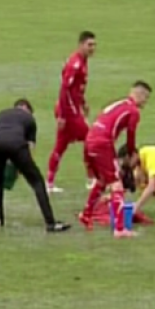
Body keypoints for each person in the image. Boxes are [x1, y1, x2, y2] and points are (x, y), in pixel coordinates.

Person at [0, 99, 69, 232]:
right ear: (27, 109)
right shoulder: (29, 119)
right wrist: (20, 168)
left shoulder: (1, 114)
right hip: (17, 145)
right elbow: (30, 150)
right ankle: (50, 223)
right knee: (37, 181)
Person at [79, 81, 152, 237]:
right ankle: (120, 229)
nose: (145, 102)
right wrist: (132, 152)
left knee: (102, 181)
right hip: (102, 144)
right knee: (116, 185)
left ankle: (86, 214)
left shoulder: (118, 104)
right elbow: (130, 135)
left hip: (90, 139)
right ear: (140, 95)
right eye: (146, 98)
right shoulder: (133, 111)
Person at [47, 30, 97, 194]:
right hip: (69, 111)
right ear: (81, 45)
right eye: (89, 45)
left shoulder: (82, 61)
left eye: (94, 45)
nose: (92, 48)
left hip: (71, 108)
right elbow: (65, 89)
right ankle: (91, 178)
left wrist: (84, 102)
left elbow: (76, 88)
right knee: (91, 139)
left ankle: (49, 182)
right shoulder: (75, 64)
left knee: (61, 144)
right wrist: (62, 115)